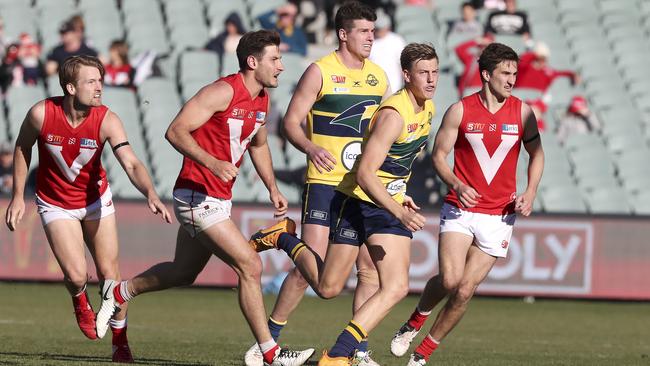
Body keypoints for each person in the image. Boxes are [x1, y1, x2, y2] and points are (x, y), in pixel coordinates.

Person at [97, 30, 315, 366]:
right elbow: (175, 130)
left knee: (183, 273)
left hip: (217, 198)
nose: (281, 66)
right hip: (196, 196)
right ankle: (270, 353)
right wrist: (212, 162)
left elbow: (258, 145)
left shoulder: (261, 99)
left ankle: (120, 291)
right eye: (275, 59)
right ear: (252, 62)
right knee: (250, 266)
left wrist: (272, 187)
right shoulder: (222, 91)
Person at [251, 42, 439, 366]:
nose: (432, 79)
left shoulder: (426, 108)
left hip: (370, 196)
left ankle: (353, 353)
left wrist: (399, 189)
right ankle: (334, 351)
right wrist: (397, 209)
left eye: (435, 72)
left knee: (352, 282)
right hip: (365, 198)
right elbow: (367, 172)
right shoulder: (393, 113)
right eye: (424, 72)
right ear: (407, 75)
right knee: (381, 287)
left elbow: (396, 161)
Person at [245, 2, 388, 365]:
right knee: (314, 271)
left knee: (368, 268)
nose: (371, 37)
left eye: (373, 31)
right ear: (343, 34)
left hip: (362, 186)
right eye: (363, 31)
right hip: (325, 183)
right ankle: (269, 341)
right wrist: (310, 147)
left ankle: (359, 350)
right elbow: (290, 122)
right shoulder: (320, 71)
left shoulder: (380, 77)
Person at [4, 55, 172, 362]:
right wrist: (17, 195)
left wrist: (151, 193)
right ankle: (79, 299)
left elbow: (131, 162)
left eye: (100, 80)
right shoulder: (41, 113)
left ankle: (119, 342)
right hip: (55, 203)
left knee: (111, 278)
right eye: (91, 81)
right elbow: (22, 147)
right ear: (70, 87)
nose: (99, 88)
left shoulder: (107, 119)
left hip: (96, 202)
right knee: (78, 275)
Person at [389, 42, 544, 366]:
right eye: (505, 73)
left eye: (514, 73)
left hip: (499, 216)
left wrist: (530, 190)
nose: (512, 79)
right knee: (449, 279)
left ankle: (422, 355)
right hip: (460, 209)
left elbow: (537, 154)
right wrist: (457, 183)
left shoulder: (523, 112)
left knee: (464, 291)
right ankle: (414, 321)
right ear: (486, 75)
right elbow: (439, 156)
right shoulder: (460, 110)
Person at [515, 41, 579, 93]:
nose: (543, 61)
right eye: (541, 58)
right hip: (519, 99)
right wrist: (535, 54)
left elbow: (561, 73)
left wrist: (573, 74)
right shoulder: (525, 67)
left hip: (536, 102)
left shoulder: (548, 72)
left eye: (545, 58)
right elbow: (521, 60)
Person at [369, 9, 406, 93]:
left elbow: (403, 63)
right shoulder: (369, 41)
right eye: (377, 28)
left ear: (387, 27)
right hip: (373, 85)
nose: (379, 31)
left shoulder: (397, 40)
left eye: (381, 28)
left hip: (394, 85)